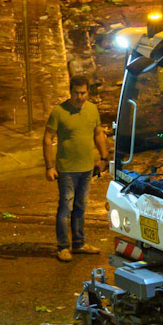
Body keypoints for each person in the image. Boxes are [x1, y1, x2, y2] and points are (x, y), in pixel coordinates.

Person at [44, 73, 108, 261]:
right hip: (66, 169)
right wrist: (49, 166)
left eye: (83, 93)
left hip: (87, 168)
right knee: (66, 207)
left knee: (80, 206)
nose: (79, 97)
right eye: (76, 93)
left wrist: (104, 158)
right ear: (70, 92)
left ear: (88, 92)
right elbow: (48, 138)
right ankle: (63, 246)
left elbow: (98, 133)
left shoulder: (92, 110)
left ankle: (79, 243)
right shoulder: (59, 112)